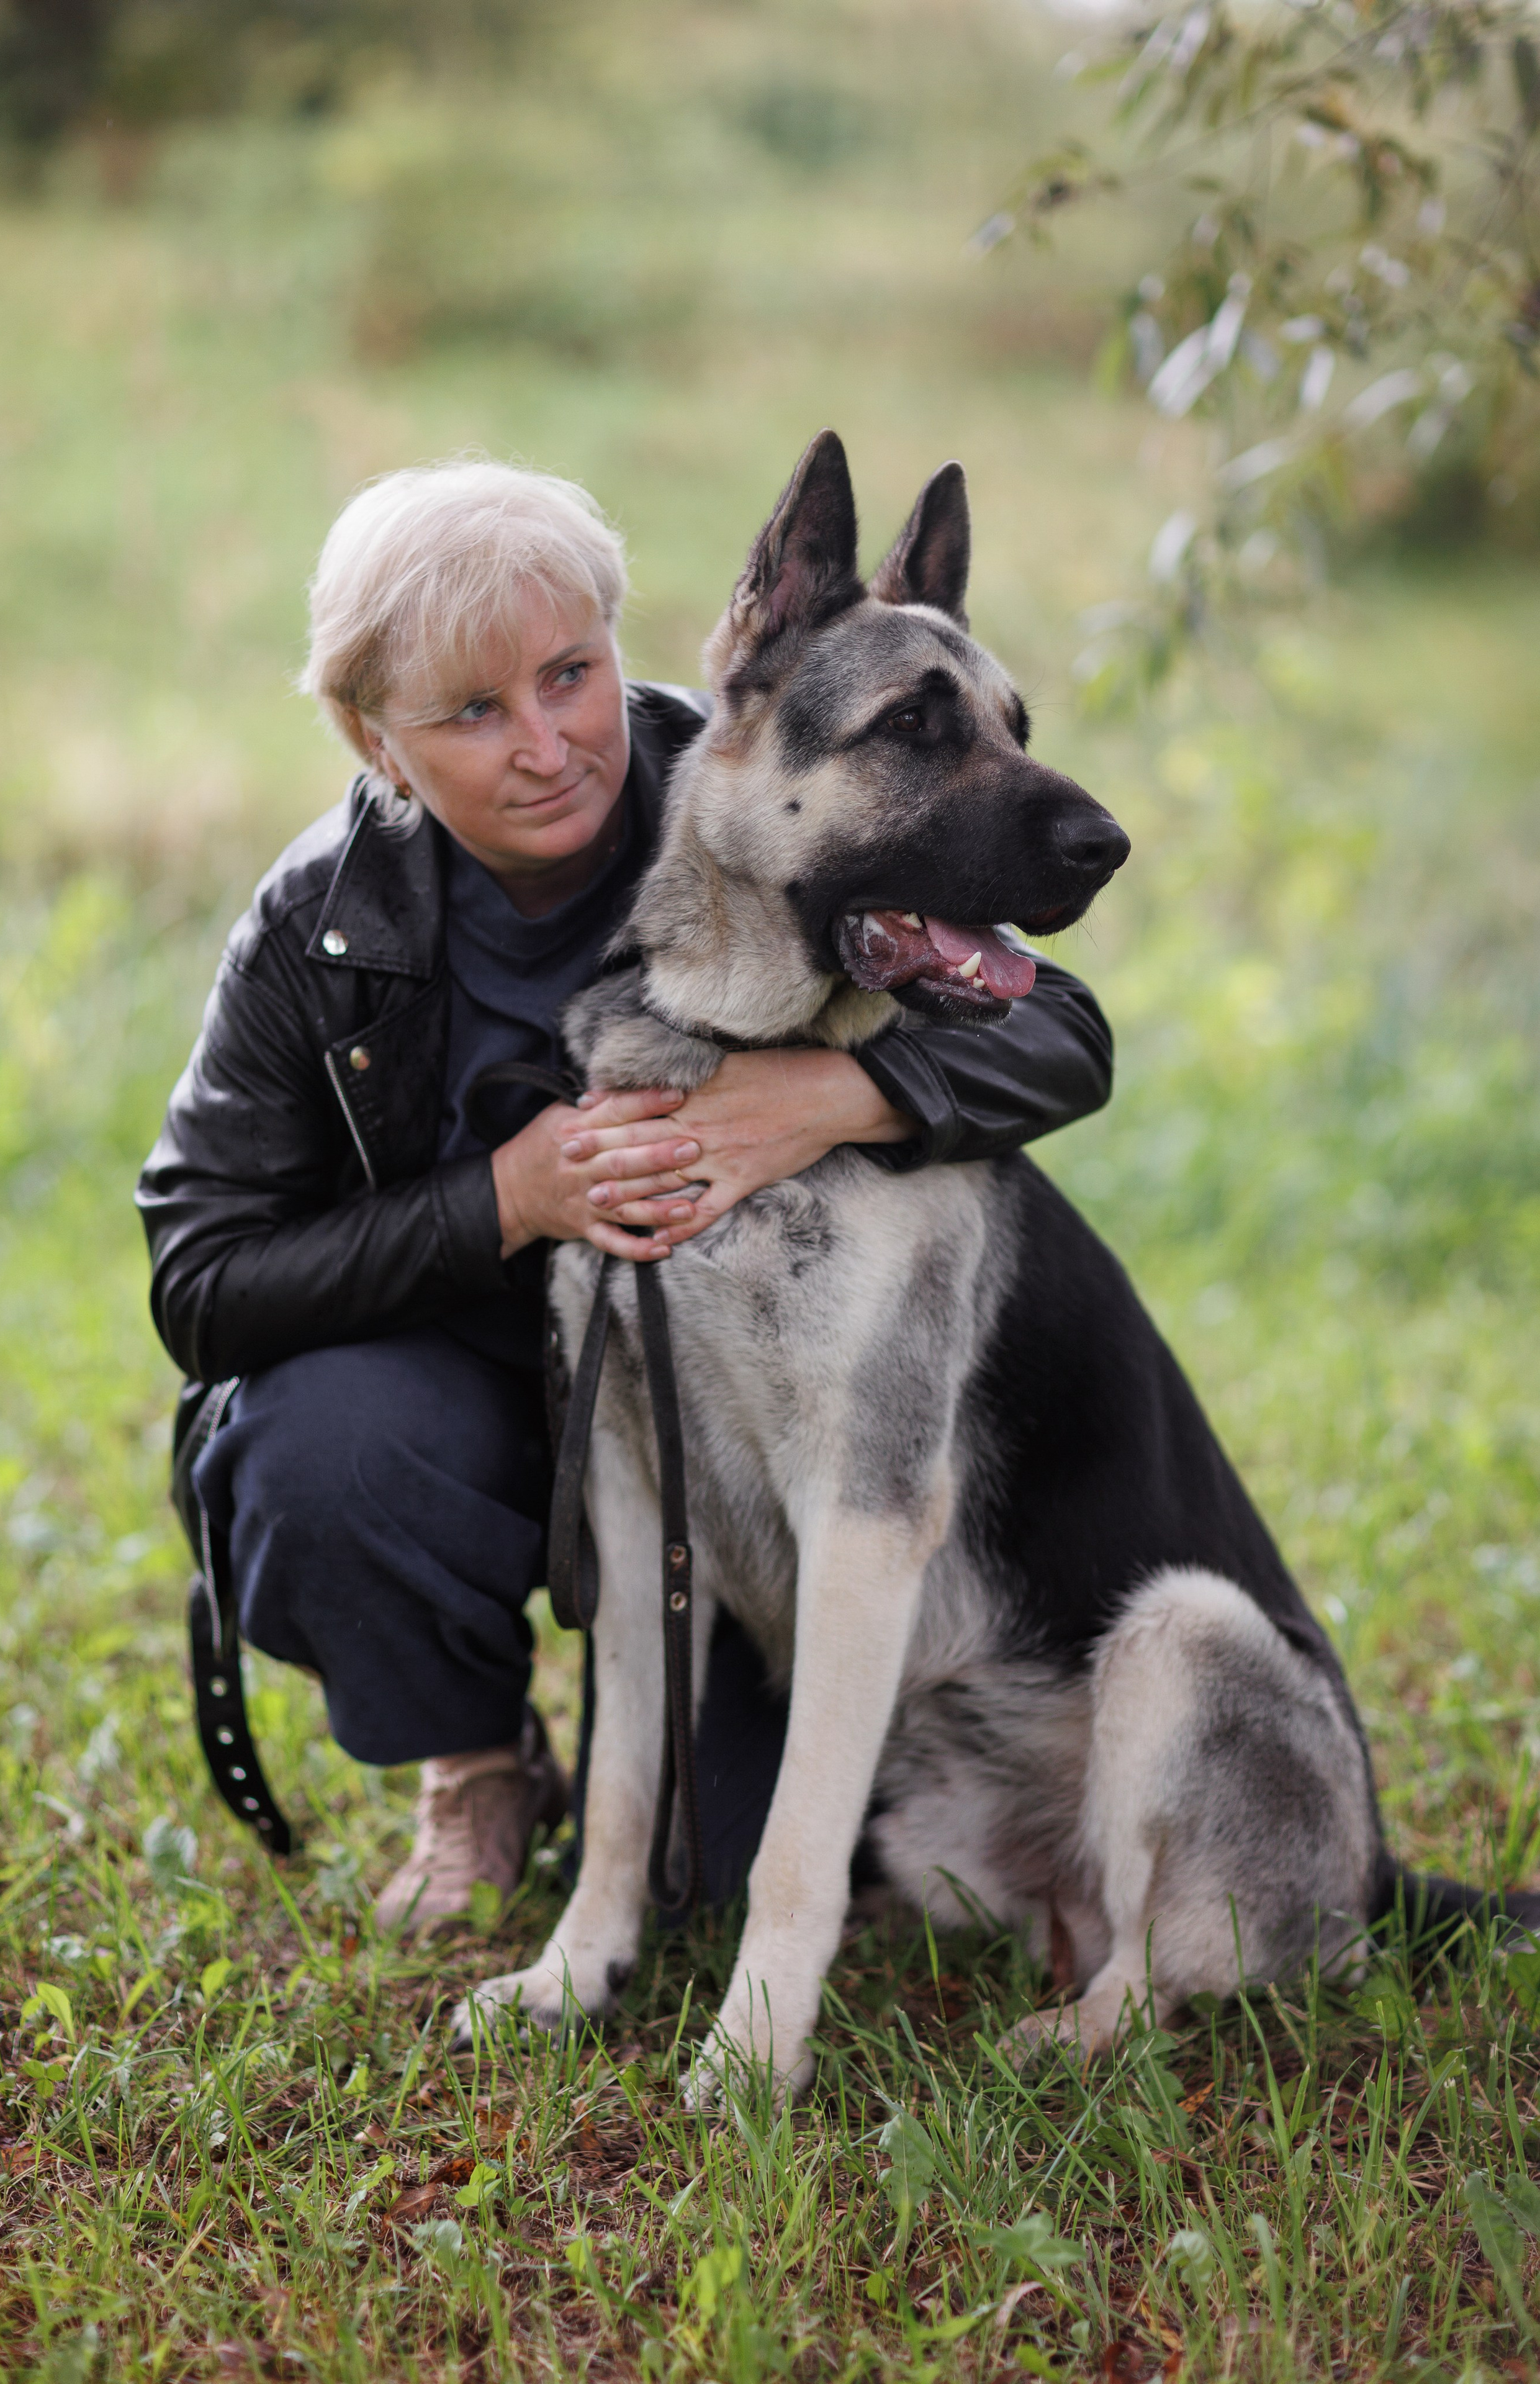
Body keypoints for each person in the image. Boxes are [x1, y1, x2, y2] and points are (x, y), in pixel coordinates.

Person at [136, 457, 1116, 1935]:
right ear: (375, 740)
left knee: (696, 1888)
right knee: (317, 1448)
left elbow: (1058, 1029)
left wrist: (840, 1093)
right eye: (473, 713)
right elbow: (203, 1282)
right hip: (463, 1410)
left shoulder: (751, 786)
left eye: (569, 675)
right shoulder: (311, 929)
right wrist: (507, 1197)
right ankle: (477, 1768)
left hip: (722, 1442)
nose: (547, 747)